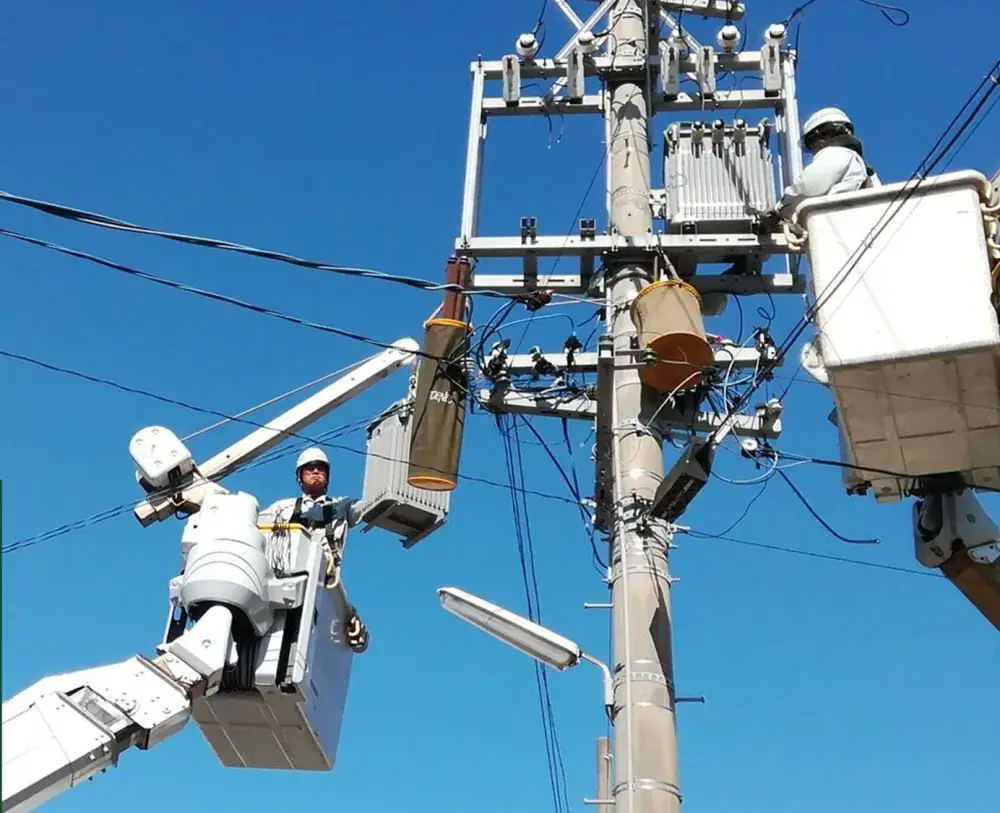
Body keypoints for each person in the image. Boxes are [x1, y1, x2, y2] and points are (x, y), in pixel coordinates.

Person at [262, 447, 369, 653]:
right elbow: (256, 527)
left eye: (321, 469)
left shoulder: (342, 506)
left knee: (312, 636)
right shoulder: (282, 508)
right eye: (309, 469)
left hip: (323, 578)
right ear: (300, 477)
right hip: (283, 578)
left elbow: (368, 508)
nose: (316, 472)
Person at [762, 107, 881, 226]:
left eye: (811, 145)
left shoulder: (836, 154)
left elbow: (808, 186)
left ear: (819, 138)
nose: (813, 151)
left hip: (839, 226)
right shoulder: (861, 166)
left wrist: (779, 210)